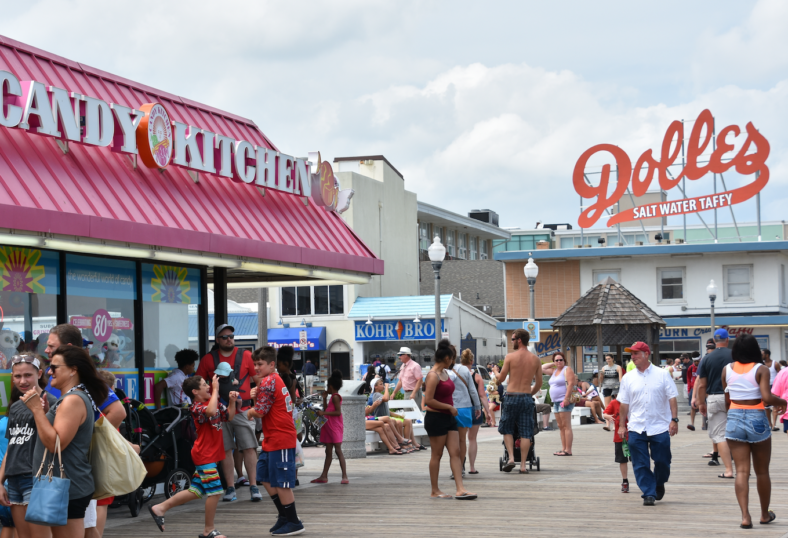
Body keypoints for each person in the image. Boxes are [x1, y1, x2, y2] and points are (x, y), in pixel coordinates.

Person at [28, 346, 108, 538]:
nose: (49, 371)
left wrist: (37, 411)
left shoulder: (73, 400)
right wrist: (46, 412)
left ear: (73, 369)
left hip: (66, 486)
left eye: (54, 367)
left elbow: (56, 444)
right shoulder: (72, 397)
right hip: (63, 484)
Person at [149, 375, 237, 538]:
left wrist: (231, 401)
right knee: (216, 492)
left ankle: (160, 508)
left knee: (196, 490)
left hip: (211, 454)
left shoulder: (213, 401)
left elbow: (229, 417)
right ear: (195, 392)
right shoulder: (196, 407)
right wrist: (217, 389)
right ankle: (208, 530)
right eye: (205, 385)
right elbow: (210, 412)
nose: (209, 387)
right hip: (204, 455)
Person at [720, 334, 785, 528]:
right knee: (762, 471)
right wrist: (783, 402)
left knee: (741, 470)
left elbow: (727, 399)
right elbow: (766, 396)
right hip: (756, 416)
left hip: (734, 418)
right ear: (755, 350)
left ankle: (745, 517)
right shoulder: (761, 369)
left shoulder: (727, 370)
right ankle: (764, 515)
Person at [195, 324, 260, 503]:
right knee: (225, 450)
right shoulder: (208, 359)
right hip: (219, 412)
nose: (229, 339)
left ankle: (254, 486)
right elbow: (197, 385)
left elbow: (259, 382)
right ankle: (230, 487)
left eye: (231, 335)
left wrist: (258, 407)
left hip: (244, 410)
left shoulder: (246, 355)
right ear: (217, 340)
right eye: (224, 337)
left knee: (249, 447)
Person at [246, 347, 303, 536]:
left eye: (260, 364)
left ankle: (293, 521)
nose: (256, 368)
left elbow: (260, 412)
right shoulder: (272, 380)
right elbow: (265, 406)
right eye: (255, 364)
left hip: (280, 437)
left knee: (280, 482)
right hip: (273, 438)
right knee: (264, 476)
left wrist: (250, 410)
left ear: (272, 364)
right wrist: (257, 399)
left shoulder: (269, 381)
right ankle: (284, 516)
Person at [0, 353, 58, 538]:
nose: (22, 380)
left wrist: (45, 413)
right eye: (17, 376)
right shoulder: (16, 406)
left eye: (28, 375)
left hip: (37, 478)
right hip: (14, 480)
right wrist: (0, 482)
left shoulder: (52, 402)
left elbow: (55, 441)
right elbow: (12, 447)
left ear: (39, 374)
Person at [618, 341, 678, 506]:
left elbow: (672, 397)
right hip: (636, 426)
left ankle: (659, 483)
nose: (633, 357)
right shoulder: (628, 378)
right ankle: (649, 492)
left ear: (646, 354)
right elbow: (624, 403)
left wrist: (674, 419)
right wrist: (622, 425)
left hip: (659, 425)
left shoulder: (662, 374)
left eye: (636, 353)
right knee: (640, 462)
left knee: (663, 460)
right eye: (632, 354)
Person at [423, 339, 475, 500]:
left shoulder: (446, 373)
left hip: (450, 418)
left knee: (456, 451)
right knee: (436, 455)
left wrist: (451, 409)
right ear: (447, 358)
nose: (453, 362)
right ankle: (435, 490)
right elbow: (429, 400)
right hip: (436, 418)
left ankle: (460, 488)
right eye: (452, 358)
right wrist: (449, 408)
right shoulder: (433, 376)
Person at [496, 329, 543, 472]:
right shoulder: (535, 359)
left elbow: (501, 379)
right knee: (525, 432)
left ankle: (511, 458)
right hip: (525, 397)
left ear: (519, 340)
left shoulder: (510, 357)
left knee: (507, 428)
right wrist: (529, 394)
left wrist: (495, 373)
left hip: (511, 397)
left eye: (513, 339)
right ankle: (523, 465)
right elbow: (539, 383)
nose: (512, 342)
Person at [696, 328, 735, 479]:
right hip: (734, 398)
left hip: (714, 397)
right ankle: (744, 467)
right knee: (737, 434)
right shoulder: (735, 356)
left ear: (714, 341)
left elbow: (701, 384)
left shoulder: (707, 358)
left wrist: (700, 403)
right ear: (727, 340)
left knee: (720, 435)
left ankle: (728, 470)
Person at [446, 347, 481, 478]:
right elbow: (473, 390)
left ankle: (454, 468)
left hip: (448, 407)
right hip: (465, 407)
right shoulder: (465, 369)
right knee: (462, 441)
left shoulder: (442, 369)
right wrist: (477, 407)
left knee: (450, 442)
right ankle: (460, 468)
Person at [311, 371, 348, 485]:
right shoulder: (332, 397)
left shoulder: (336, 397)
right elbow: (327, 410)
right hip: (328, 426)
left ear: (331, 387)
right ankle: (324, 476)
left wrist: (323, 413)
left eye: (328, 386)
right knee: (328, 451)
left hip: (334, 426)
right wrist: (324, 399)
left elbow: (338, 412)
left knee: (338, 450)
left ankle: (344, 476)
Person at [464, 350, 493, 474]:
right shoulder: (476, 376)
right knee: (472, 439)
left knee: (460, 439)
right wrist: (488, 412)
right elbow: (482, 396)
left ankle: (460, 466)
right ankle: (472, 467)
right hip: (475, 409)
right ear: (472, 361)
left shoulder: (455, 374)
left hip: (461, 409)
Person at [542, 351, 576, 456]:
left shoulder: (567, 369)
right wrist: (553, 363)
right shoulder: (554, 371)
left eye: (561, 359)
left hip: (564, 400)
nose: (559, 361)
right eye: (557, 360)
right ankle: (563, 448)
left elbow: (571, 384)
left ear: (564, 360)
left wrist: (566, 399)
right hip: (555, 402)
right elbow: (542, 368)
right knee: (560, 426)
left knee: (566, 426)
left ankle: (568, 450)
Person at [43, 324, 85, 398]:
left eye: (51, 346)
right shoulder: (45, 375)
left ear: (68, 347)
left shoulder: (90, 379)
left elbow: (112, 408)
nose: (46, 350)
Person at [602, 390, 630, 493]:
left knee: (637, 460)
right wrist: (607, 416)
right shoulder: (614, 403)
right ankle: (625, 481)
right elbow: (605, 413)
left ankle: (642, 481)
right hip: (619, 437)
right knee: (622, 460)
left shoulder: (632, 401)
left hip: (633, 435)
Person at [761, 349, 781, 431]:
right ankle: (769, 424)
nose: (761, 355)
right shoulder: (761, 364)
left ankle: (774, 425)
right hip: (765, 386)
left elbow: (780, 375)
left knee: (775, 406)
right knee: (766, 407)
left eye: (762, 354)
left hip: (774, 386)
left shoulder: (775, 364)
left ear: (767, 355)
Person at [686, 355, 700, 431]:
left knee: (704, 405)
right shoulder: (691, 368)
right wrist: (689, 390)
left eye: (698, 361)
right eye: (695, 361)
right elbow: (688, 379)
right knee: (693, 407)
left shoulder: (702, 366)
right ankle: (692, 424)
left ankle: (704, 424)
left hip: (702, 388)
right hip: (693, 388)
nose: (696, 362)